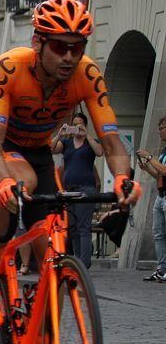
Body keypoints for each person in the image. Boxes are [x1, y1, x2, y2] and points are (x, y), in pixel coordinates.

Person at [0, 0, 138, 329]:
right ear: (37, 42)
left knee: (54, 257)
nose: (70, 56)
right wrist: (3, 182)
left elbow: (111, 140)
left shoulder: (87, 74)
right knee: (21, 182)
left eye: (78, 47)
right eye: (59, 47)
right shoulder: (10, 66)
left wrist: (121, 178)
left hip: (38, 150)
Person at [53, 111, 102, 268]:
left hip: (86, 189)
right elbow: (50, 149)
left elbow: (100, 152)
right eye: (74, 125)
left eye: (79, 124)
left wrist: (86, 135)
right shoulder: (66, 143)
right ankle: (77, 261)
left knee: (83, 227)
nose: (76, 127)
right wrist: (60, 134)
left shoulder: (90, 142)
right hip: (69, 191)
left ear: (85, 125)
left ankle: (83, 263)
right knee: (72, 228)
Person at [135, 115, 166, 280]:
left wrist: (149, 157)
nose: (159, 132)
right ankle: (162, 269)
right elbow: (159, 174)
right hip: (161, 195)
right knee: (159, 234)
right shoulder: (163, 151)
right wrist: (147, 167)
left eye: (162, 128)